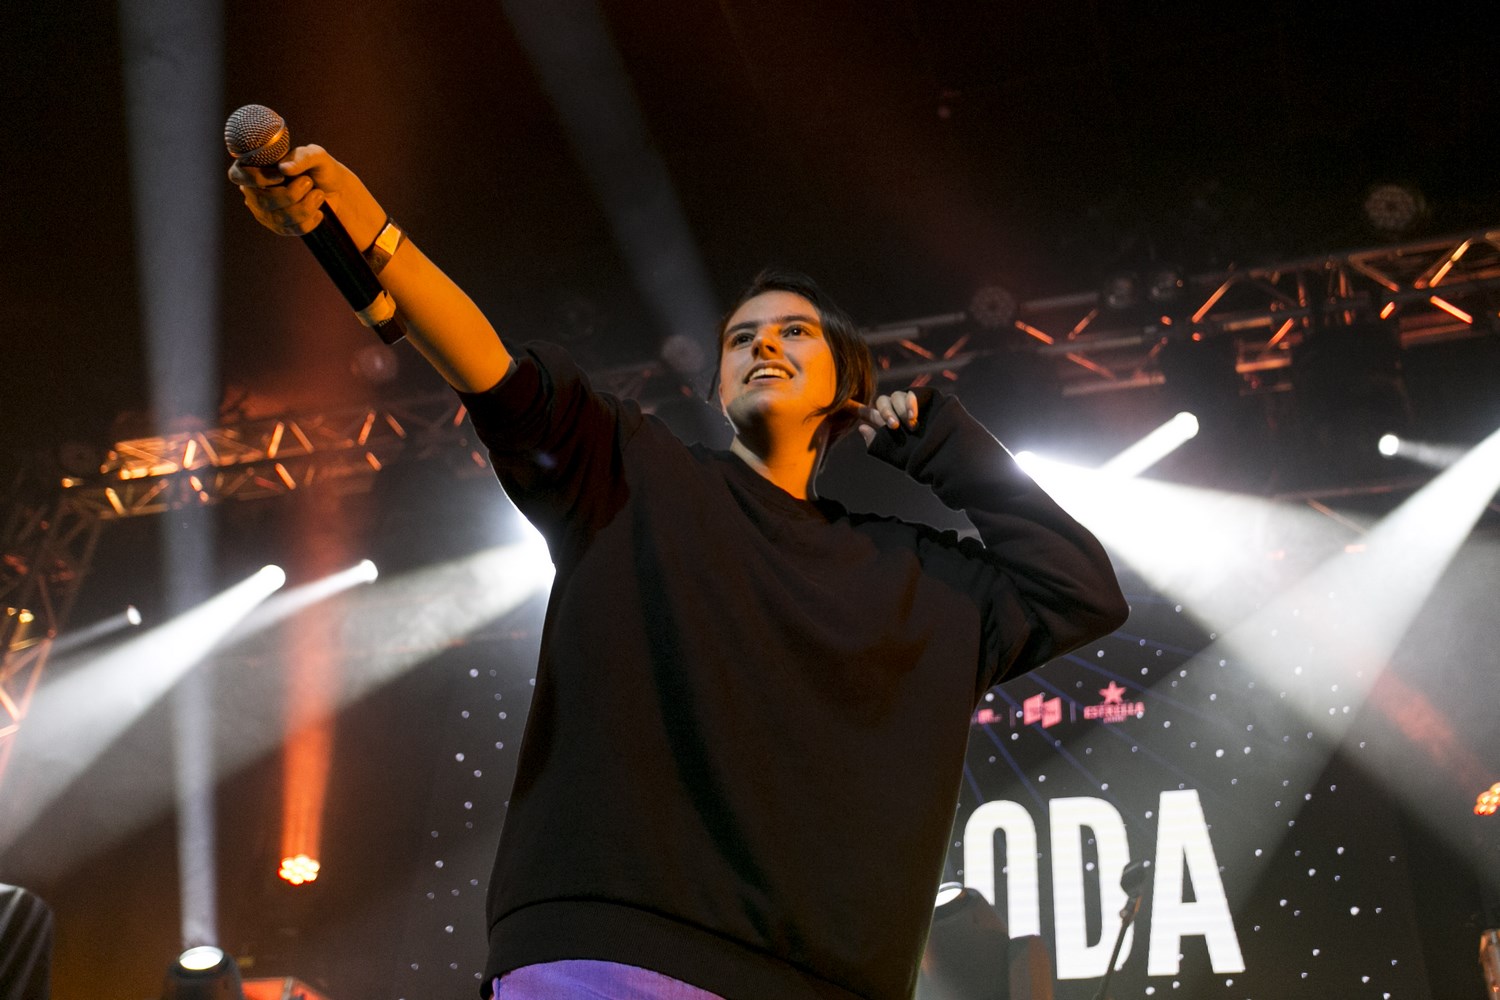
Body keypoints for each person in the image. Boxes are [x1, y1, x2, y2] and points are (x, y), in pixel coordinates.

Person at [231, 146, 1129, 1000]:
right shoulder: (634, 471)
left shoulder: (910, 576)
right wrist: (367, 225)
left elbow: (1079, 591)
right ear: (718, 387)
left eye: (794, 333)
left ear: (846, 383)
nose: (763, 346)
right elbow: (492, 372)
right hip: (610, 956)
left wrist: (948, 448)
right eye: (741, 339)